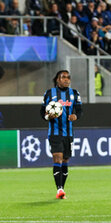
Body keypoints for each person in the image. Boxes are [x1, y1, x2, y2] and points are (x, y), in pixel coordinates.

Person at [40, 70, 82, 199]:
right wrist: (48, 116)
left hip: (68, 133)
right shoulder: (49, 93)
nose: (66, 79)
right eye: (63, 77)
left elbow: (79, 110)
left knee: (65, 160)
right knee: (57, 157)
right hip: (55, 133)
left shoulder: (74, 93)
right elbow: (42, 113)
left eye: (68, 77)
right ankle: (59, 189)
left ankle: (62, 189)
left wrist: (76, 115)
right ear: (57, 79)